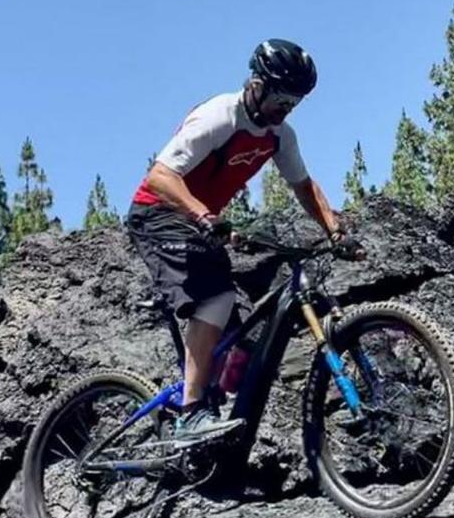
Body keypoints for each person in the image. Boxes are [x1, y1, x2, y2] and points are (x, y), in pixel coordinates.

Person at [126, 39, 358, 443]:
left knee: (243, 330)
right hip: (158, 214)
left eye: (295, 102)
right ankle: (191, 414)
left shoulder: (279, 136)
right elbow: (159, 177)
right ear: (256, 85)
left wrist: (335, 231)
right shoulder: (219, 117)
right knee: (215, 300)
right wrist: (204, 216)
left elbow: (304, 186)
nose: (286, 108)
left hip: (198, 222)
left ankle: (210, 406)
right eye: (281, 98)